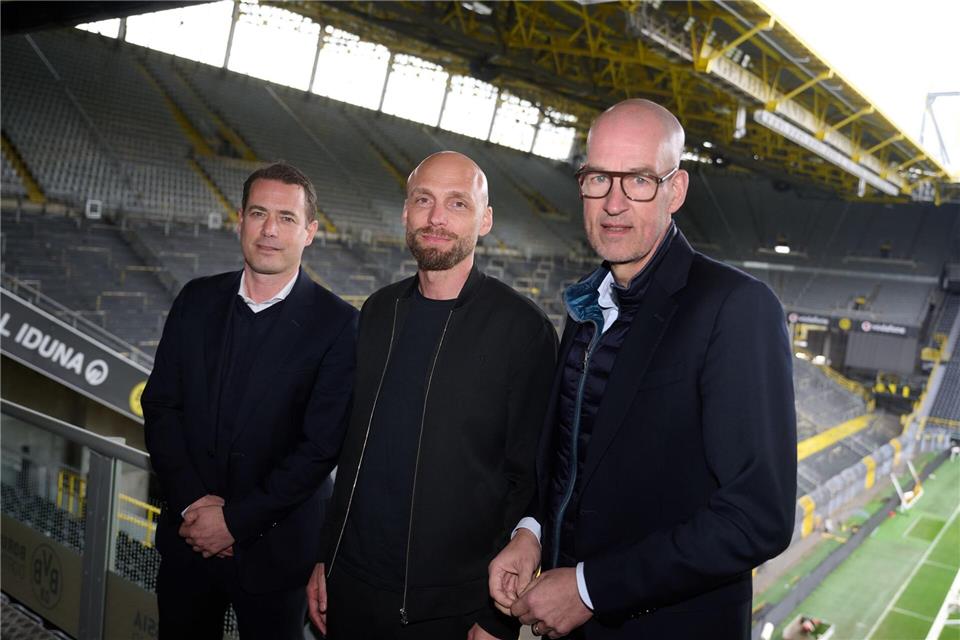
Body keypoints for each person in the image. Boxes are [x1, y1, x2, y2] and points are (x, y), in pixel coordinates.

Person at [488, 99, 797, 639]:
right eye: (598, 178)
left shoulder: (735, 307)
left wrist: (589, 588)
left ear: (675, 191)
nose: (612, 202)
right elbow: (572, 461)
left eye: (638, 181)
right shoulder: (588, 304)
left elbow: (756, 518)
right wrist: (531, 532)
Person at [306, 151, 557, 640]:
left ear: (484, 221)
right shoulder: (379, 311)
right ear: (406, 213)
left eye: (457, 204)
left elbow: (532, 478)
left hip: (455, 611)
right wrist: (325, 557)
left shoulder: (522, 329)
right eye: (423, 200)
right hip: (352, 591)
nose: (436, 217)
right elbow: (355, 453)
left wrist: (496, 616)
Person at [143, 162, 357, 639]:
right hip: (187, 540)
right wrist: (194, 505)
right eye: (259, 213)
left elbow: (319, 448)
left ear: (310, 232)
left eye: (286, 217)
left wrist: (234, 523)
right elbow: (161, 407)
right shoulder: (195, 300)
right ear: (239, 219)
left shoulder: (339, 325)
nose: (269, 230)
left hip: (277, 556)